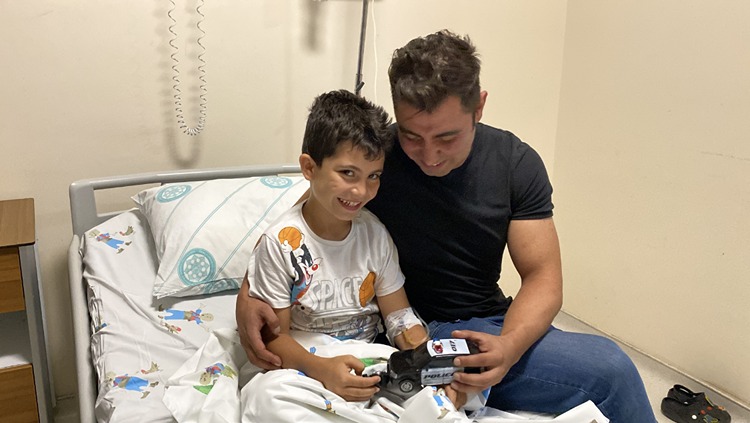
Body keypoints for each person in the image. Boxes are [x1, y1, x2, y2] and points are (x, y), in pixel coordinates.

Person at [237, 31, 657, 421]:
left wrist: (509, 346)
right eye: (412, 136)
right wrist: (248, 295)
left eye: (446, 138)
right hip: (397, 332)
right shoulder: (378, 158)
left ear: (479, 107)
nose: (429, 155)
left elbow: (543, 277)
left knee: (612, 369)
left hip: (481, 326)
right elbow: (309, 218)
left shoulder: (515, 164)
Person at [243, 89, 428, 402]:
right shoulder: (281, 244)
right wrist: (322, 370)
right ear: (309, 168)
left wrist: (425, 355)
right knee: (267, 396)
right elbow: (275, 339)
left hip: (366, 360)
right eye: (347, 173)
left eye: (373, 176)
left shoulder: (375, 235)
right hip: (303, 362)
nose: (361, 191)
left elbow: (399, 316)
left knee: (427, 402)